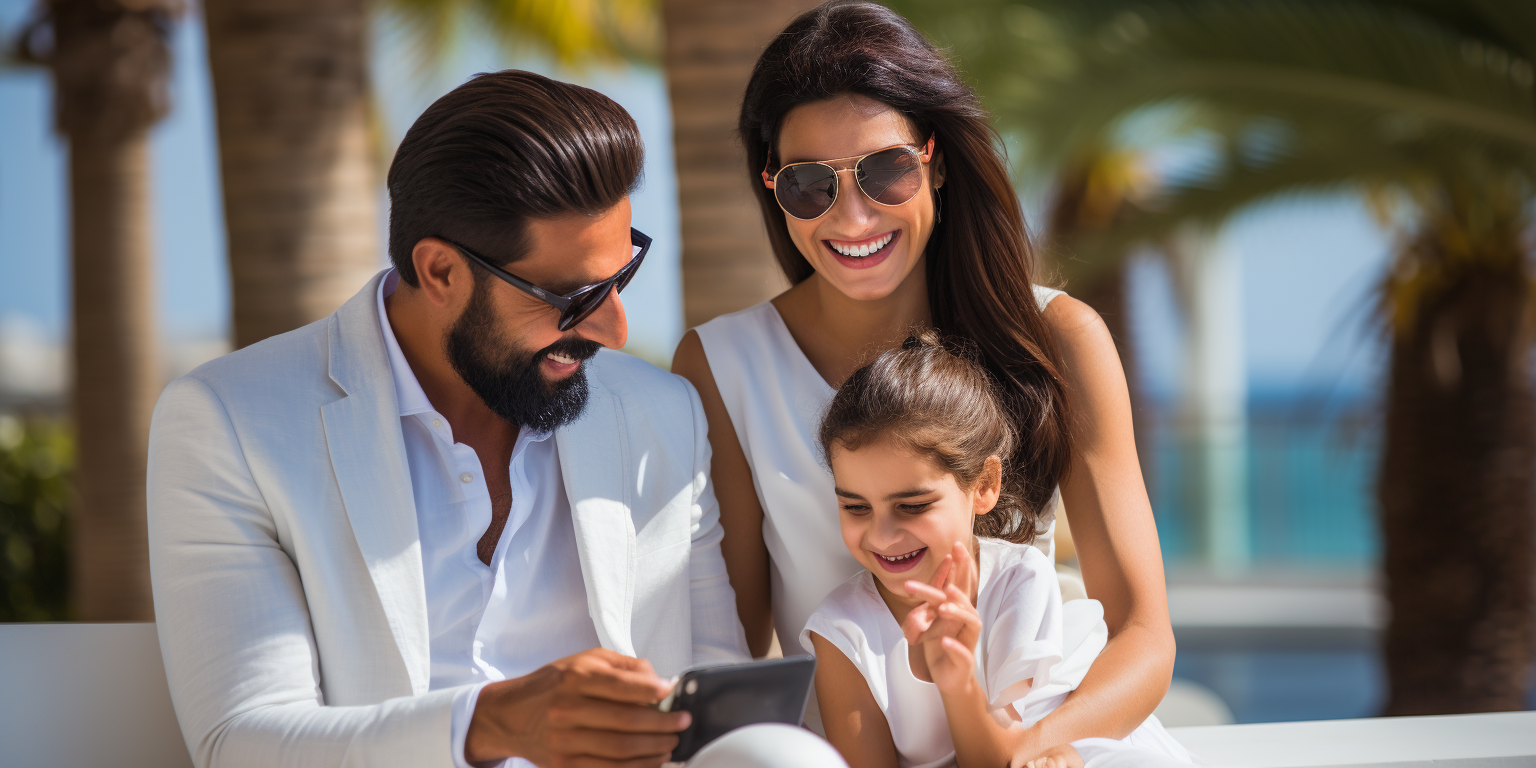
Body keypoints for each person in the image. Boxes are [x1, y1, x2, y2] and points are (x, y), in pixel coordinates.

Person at [147, 70, 841, 768]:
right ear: (441, 272)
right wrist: (490, 724)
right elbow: (240, 742)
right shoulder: (231, 423)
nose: (615, 330)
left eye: (620, 278)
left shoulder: (661, 415)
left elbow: (714, 701)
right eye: (572, 299)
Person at [671, 1, 1176, 756]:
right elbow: (733, 644)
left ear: (934, 159)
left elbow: (1143, 634)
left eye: (884, 170)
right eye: (811, 185)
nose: (852, 216)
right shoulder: (721, 365)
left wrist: (1031, 749)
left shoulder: (1059, 339)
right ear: (772, 188)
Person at [802, 332, 1193, 768]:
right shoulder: (841, 631)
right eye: (855, 507)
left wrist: (959, 684)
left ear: (985, 485)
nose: (882, 535)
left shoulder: (1017, 581)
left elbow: (1002, 760)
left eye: (911, 506)